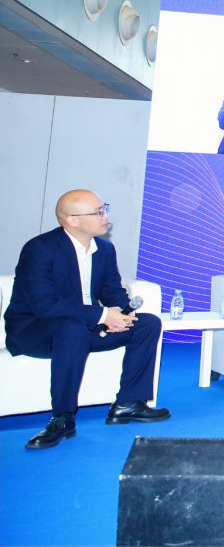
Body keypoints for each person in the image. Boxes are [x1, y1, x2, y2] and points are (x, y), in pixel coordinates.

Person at [5, 190, 169, 450]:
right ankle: (62, 418)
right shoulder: (39, 249)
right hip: (37, 331)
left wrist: (122, 313)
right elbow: (45, 305)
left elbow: (111, 290)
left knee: (147, 324)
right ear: (72, 220)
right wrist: (102, 316)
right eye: (98, 212)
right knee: (72, 329)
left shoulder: (104, 249)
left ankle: (128, 403)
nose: (106, 216)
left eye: (104, 209)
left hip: (83, 326)